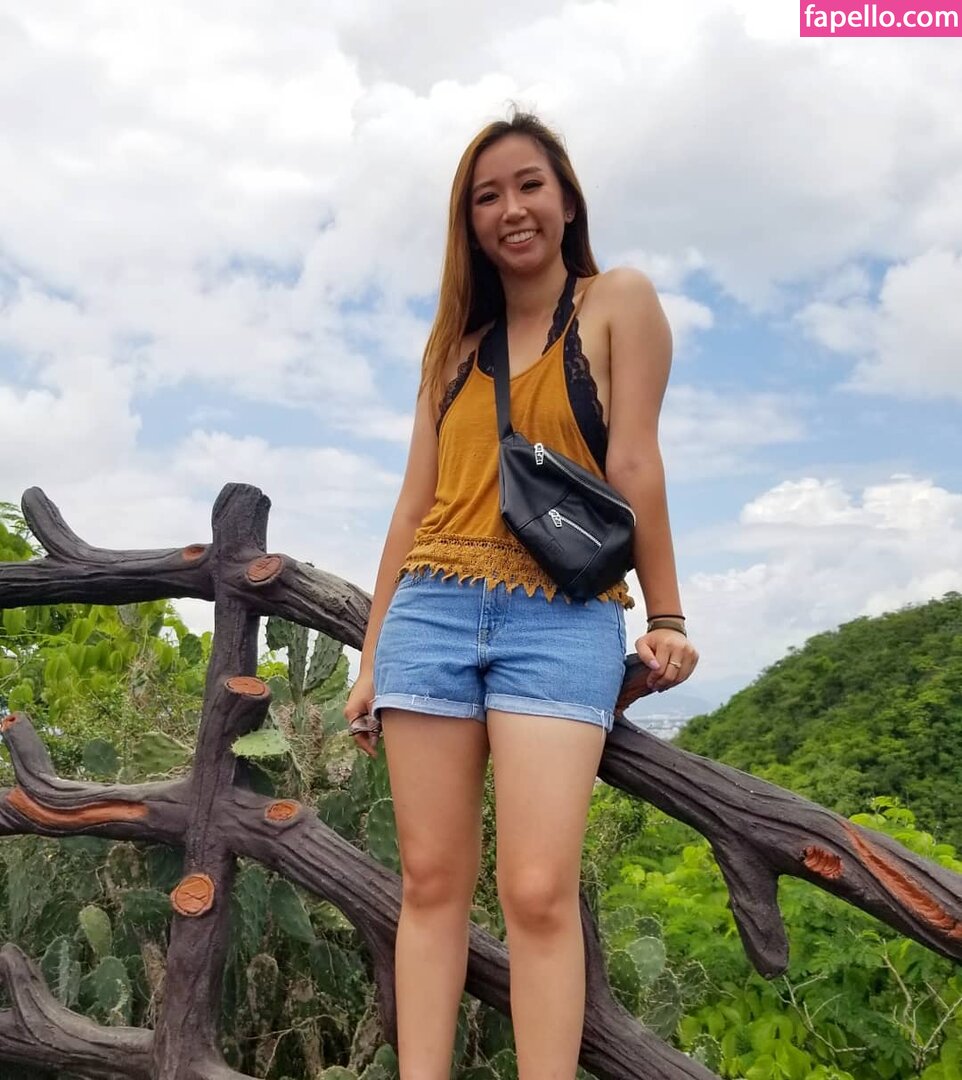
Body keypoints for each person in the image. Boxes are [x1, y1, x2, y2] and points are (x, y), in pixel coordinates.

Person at [343, 110, 699, 1079]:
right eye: (487, 196)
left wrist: (666, 615)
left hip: (562, 619)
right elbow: (412, 505)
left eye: (529, 185)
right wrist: (371, 656)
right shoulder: (452, 350)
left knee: (537, 892)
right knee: (429, 883)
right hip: (430, 611)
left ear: (566, 199)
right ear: (468, 222)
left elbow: (634, 462)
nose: (512, 209)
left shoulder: (618, 302)